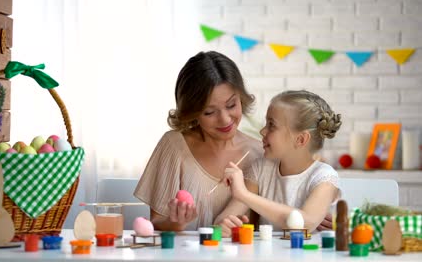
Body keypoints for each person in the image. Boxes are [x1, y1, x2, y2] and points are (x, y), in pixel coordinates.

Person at [133, 51, 264, 231]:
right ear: (193, 113)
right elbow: (155, 224)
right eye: (209, 112)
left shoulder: (260, 153)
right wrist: (176, 223)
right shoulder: (174, 146)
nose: (225, 119)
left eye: (231, 105)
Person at [215, 90, 342, 236]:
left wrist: (244, 194)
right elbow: (225, 218)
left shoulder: (324, 177)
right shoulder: (261, 169)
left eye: (271, 125)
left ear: (300, 139)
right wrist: (223, 224)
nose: (262, 131)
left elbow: (305, 223)